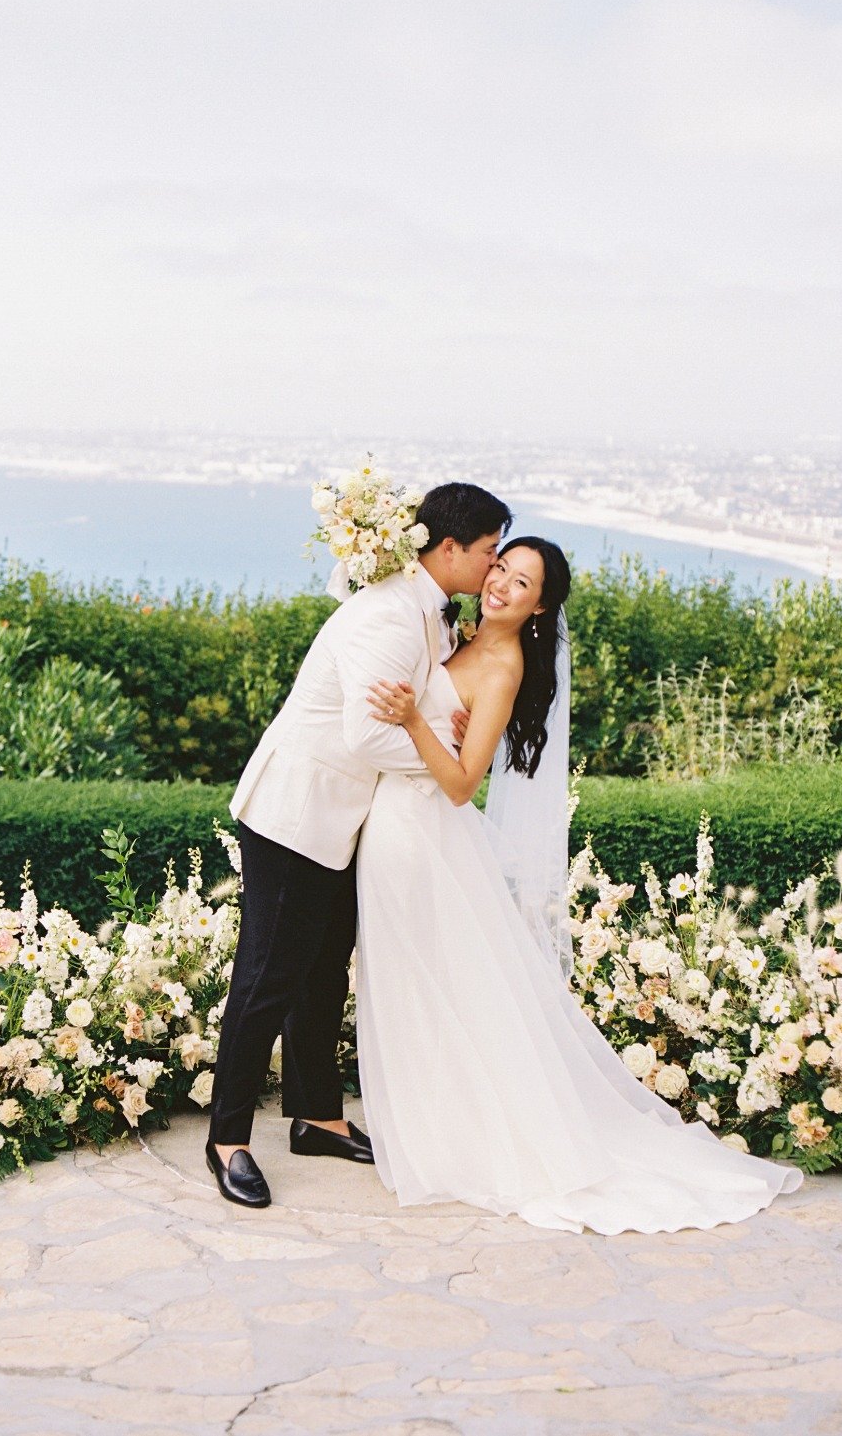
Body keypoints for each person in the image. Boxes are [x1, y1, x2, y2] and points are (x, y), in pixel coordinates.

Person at [356, 536, 802, 1234]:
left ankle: (460, 1134)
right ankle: (440, 1117)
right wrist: (436, 721)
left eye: (522, 581)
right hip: (404, 834)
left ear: (539, 608)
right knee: (429, 982)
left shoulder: (503, 664)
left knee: (439, 982)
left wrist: (415, 718)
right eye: (501, 566)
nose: (501, 581)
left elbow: (462, 785)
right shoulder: (458, 634)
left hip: (424, 833)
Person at [205, 481, 512, 1207]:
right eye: (489, 552)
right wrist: (445, 755)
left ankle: (316, 1117)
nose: (494, 567)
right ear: (448, 549)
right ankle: (227, 1140)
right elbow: (366, 732)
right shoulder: (391, 617)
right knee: (266, 976)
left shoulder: (430, 611)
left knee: (322, 972)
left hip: (343, 820)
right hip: (294, 812)